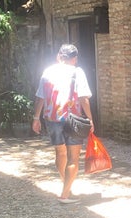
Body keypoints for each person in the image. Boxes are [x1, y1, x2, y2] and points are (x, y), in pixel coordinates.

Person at [31, 44, 94, 204]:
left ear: (59, 56)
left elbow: (40, 97)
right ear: (75, 58)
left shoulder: (48, 72)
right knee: (73, 158)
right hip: (72, 121)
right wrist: (90, 119)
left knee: (60, 154)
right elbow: (83, 98)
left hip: (51, 119)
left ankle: (67, 187)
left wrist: (36, 118)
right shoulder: (77, 72)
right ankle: (65, 195)